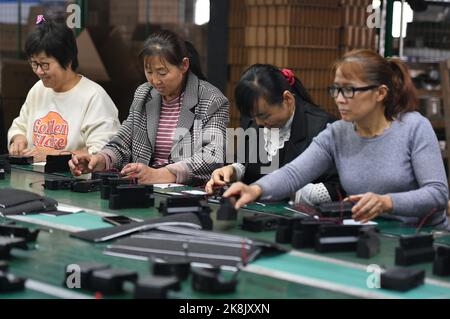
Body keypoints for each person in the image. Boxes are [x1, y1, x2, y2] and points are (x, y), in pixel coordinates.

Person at [224, 49, 449, 228]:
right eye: (336, 90)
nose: (340, 99)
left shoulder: (414, 127)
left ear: (380, 93)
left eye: (349, 91)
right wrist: (255, 190)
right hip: (368, 233)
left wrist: (388, 202)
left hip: (424, 236)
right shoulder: (338, 132)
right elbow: (293, 174)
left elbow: (438, 193)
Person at [69, 30, 229, 185]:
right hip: (144, 188)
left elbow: (212, 157)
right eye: (149, 71)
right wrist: (99, 160)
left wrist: (160, 174)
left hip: (188, 194)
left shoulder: (211, 100)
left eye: (162, 72)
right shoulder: (144, 94)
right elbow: (122, 143)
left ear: (184, 65)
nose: (155, 80)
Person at [205, 64, 343, 204]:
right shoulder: (255, 118)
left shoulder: (322, 128)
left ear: (287, 99)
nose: (258, 123)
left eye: (264, 115)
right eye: (253, 117)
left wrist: (283, 191)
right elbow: (248, 163)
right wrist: (233, 171)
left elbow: (338, 187)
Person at [8, 16, 120, 162]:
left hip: (75, 181)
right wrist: (18, 138)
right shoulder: (38, 90)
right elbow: (20, 125)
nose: (39, 71)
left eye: (45, 65)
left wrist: (53, 155)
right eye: (34, 64)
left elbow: (103, 153)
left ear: (67, 60)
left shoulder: (94, 96)